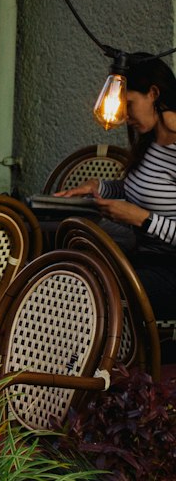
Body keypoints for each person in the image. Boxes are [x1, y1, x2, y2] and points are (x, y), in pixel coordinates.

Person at [56, 54, 176, 349]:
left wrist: (141, 219)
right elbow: (143, 189)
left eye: (129, 104)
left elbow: (147, 208)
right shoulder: (150, 140)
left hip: (170, 272)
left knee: (92, 290)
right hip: (142, 260)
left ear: (154, 94)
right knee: (69, 270)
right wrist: (100, 187)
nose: (125, 116)